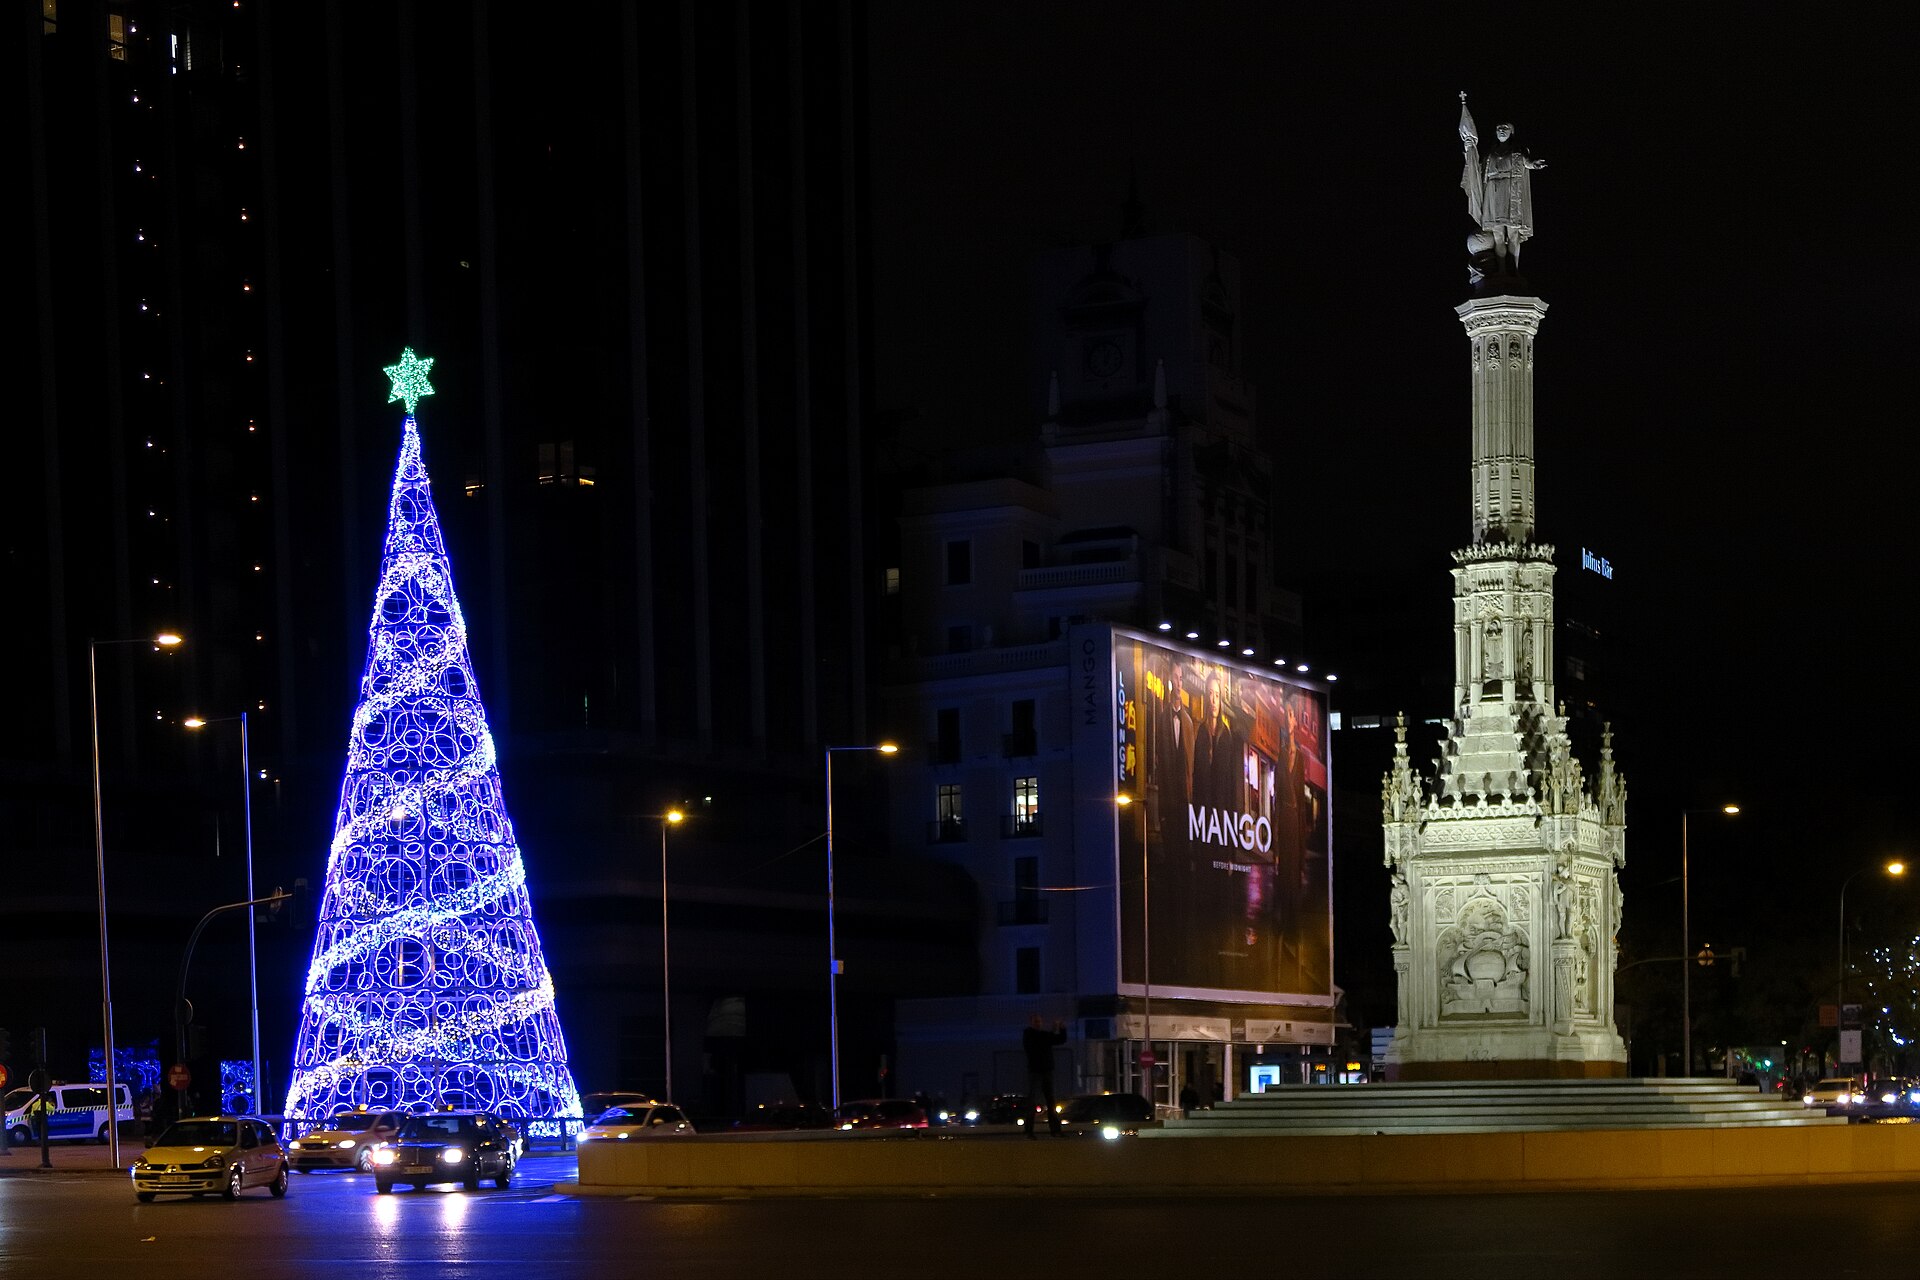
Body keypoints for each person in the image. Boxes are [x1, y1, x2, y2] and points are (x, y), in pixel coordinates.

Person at [1021, 1015, 1066, 1138]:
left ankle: (1052, 1130)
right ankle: (1032, 1131)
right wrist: (1057, 1029)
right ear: (1031, 1023)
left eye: (1039, 1021)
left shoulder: (1039, 1035)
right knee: (1036, 1101)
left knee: (1049, 1101)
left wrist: (1061, 1029)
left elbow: (1060, 1040)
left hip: (1044, 1071)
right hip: (1037, 1071)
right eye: (1036, 1021)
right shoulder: (1030, 1034)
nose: (1038, 1023)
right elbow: (1049, 1040)